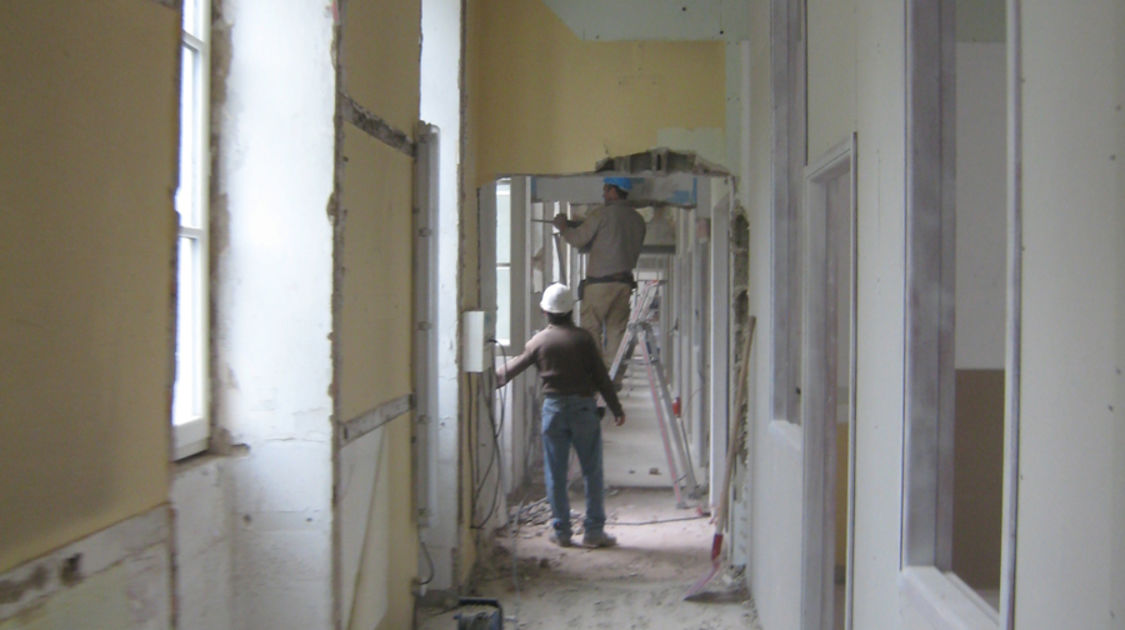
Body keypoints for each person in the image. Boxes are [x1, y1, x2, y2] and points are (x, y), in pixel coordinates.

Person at [495, 283, 625, 548]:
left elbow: (512, 369)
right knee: (592, 471)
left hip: (553, 411)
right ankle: (593, 533)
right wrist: (616, 408)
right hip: (583, 410)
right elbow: (601, 377)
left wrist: (488, 377)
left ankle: (562, 532)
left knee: (555, 473)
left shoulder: (539, 341)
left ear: (545, 312)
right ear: (570, 311)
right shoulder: (584, 339)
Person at [552, 177, 647, 380]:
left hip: (600, 285)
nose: (603, 194)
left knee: (591, 328)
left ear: (614, 191)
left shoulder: (602, 214)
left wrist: (563, 227)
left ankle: (594, 375)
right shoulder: (638, 221)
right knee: (616, 331)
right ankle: (613, 377)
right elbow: (617, 244)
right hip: (623, 284)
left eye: (605, 190)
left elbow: (579, 240)